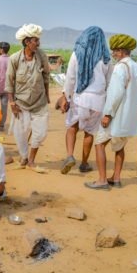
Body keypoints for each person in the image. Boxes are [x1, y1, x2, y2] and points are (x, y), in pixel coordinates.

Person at [84, 34, 137, 191]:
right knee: (119, 146)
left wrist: (107, 115)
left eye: (114, 51)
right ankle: (116, 178)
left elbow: (115, 94)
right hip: (130, 119)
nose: (113, 54)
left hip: (117, 117)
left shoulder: (120, 68)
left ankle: (102, 181)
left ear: (121, 51)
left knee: (99, 144)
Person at [60, 26, 113, 174]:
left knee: (72, 127)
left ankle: (69, 155)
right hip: (98, 102)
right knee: (89, 132)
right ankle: (84, 163)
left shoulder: (77, 54)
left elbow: (70, 78)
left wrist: (65, 97)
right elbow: (109, 83)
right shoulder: (107, 59)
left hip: (80, 98)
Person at [5, 24, 50, 173]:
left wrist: (47, 96)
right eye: (35, 41)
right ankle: (25, 159)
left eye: (38, 41)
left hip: (39, 101)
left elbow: (46, 77)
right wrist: (12, 103)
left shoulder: (42, 56)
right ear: (26, 42)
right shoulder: (15, 59)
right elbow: (9, 81)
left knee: (41, 133)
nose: (38, 43)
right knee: (20, 133)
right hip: (20, 103)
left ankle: (31, 160)